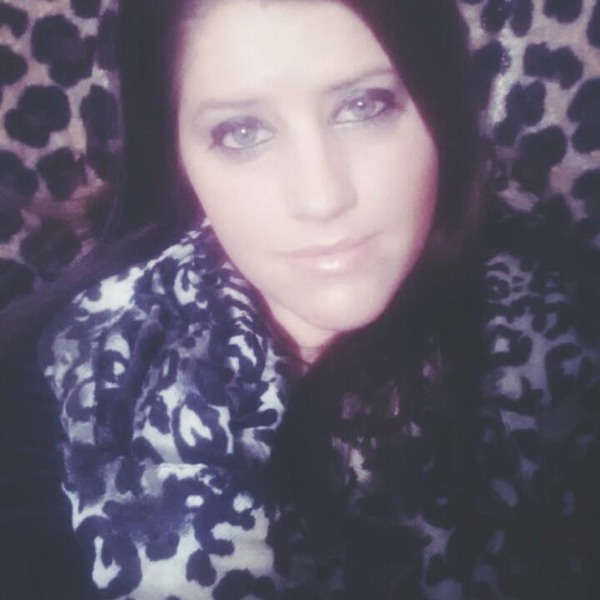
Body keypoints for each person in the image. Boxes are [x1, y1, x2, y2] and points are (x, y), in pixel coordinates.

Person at [1, 0, 599, 598]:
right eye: (242, 131)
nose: (321, 197)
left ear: (440, 101)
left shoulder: (574, 341)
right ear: (178, 152)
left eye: (364, 106)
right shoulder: (45, 384)